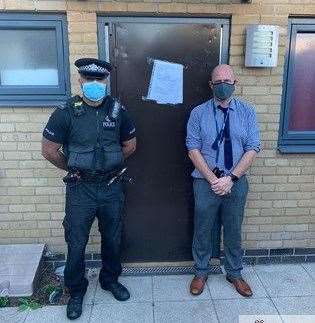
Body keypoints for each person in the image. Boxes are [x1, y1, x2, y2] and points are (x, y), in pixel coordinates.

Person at [42, 58, 136, 320]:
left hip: (111, 187)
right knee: (76, 242)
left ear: (105, 82)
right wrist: (74, 167)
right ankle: (76, 291)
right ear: (81, 81)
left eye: (100, 80)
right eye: (89, 80)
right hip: (80, 189)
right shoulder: (65, 112)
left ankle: (110, 280)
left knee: (113, 238)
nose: (95, 84)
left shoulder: (118, 111)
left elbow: (130, 145)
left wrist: (107, 164)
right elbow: (49, 151)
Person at [186, 64, 260, 297]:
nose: (223, 86)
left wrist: (231, 178)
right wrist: (213, 179)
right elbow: (192, 148)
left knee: (233, 229)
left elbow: (252, 148)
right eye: (218, 82)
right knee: (203, 228)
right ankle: (200, 271)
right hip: (205, 181)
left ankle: (235, 273)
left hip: (236, 182)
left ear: (235, 84)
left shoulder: (247, 112)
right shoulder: (198, 113)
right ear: (211, 85)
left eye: (228, 81)